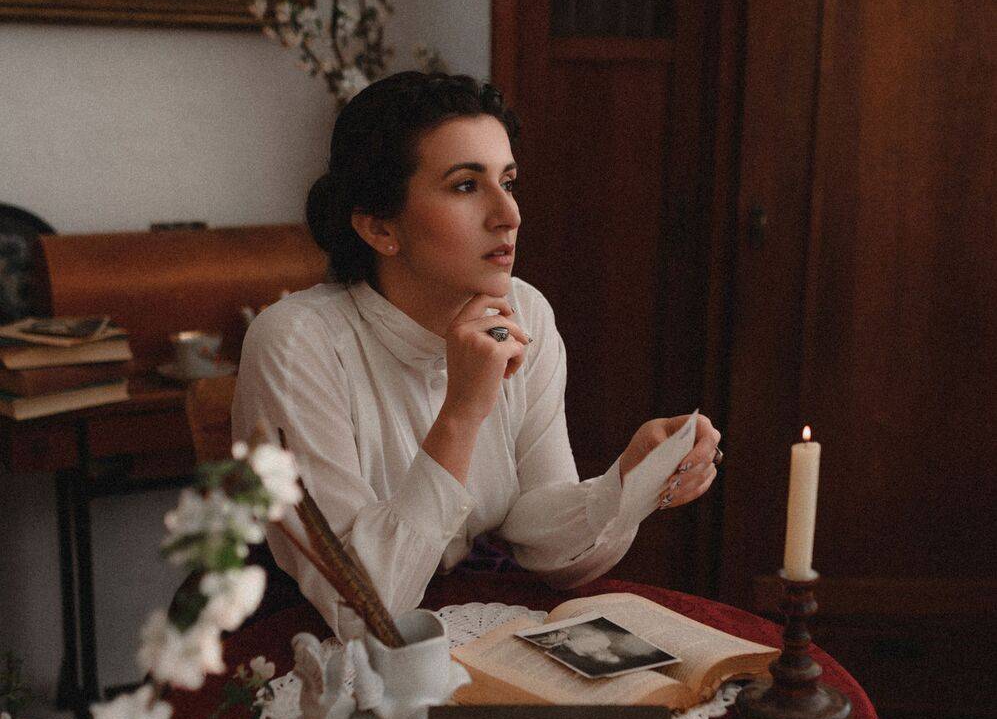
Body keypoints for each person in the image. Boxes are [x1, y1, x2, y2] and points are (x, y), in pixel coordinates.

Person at [233, 71, 721, 640]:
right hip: (308, 638)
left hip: (466, 619)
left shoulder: (524, 310)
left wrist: (627, 483)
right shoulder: (296, 343)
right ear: (380, 228)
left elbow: (540, 535)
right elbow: (363, 607)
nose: (508, 214)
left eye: (508, 182)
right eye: (466, 185)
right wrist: (462, 413)